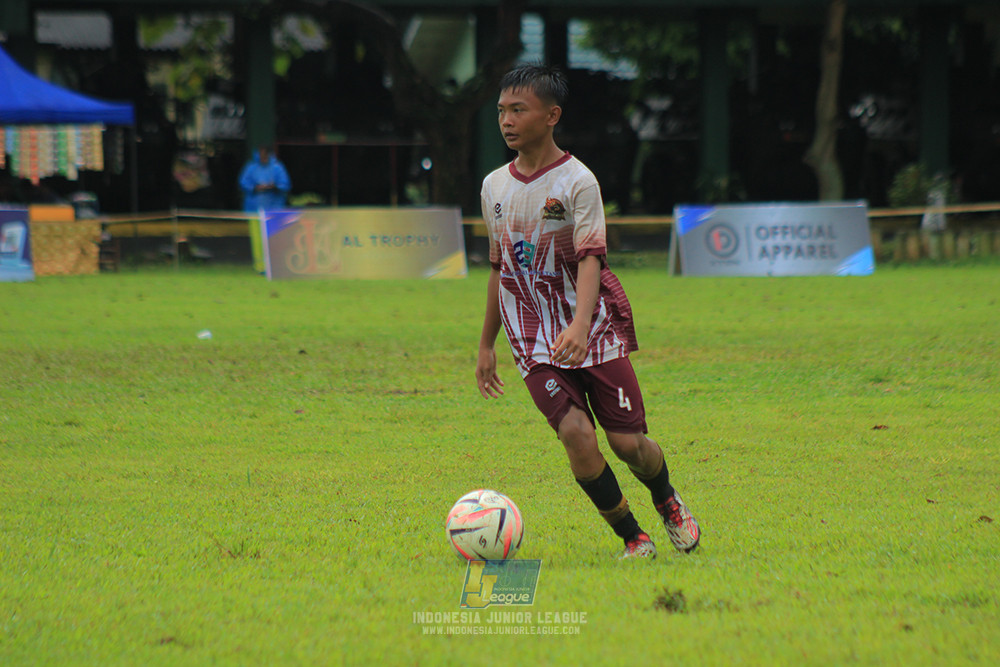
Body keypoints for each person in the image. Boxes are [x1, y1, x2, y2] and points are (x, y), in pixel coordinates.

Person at [476, 64, 701, 559]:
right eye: (501, 111)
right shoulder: (494, 186)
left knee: (628, 445)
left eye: (519, 110)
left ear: (551, 116)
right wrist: (486, 344)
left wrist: (580, 325)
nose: (507, 120)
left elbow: (591, 256)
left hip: (591, 330)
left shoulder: (578, 181)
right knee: (575, 435)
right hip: (533, 339)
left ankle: (665, 498)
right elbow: (499, 270)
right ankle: (633, 538)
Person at [239, 146, 291, 212]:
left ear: (269, 155)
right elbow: (243, 183)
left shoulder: (277, 167)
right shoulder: (251, 167)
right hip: (253, 209)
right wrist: (255, 188)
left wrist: (274, 187)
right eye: (260, 155)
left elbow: (285, 184)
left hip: (274, 208)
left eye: (264, 155)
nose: (262, 157)